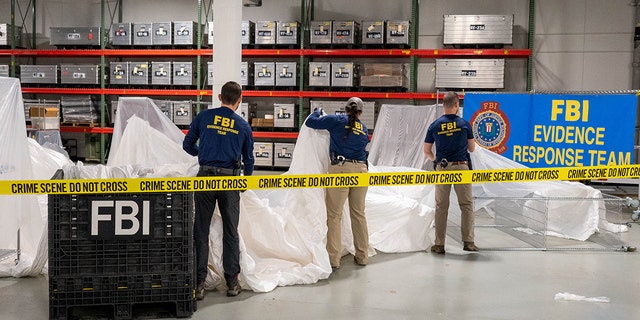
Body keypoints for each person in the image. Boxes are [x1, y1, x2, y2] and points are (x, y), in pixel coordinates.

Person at [183, 81, 254, 299]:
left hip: (204, 178)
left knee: (200, 230)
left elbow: (187, 144)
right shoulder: (243, 126)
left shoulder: (204, 118)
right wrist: (243, 184)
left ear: (219, 96)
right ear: (240, 100)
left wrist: (203, 153)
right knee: (230, 230)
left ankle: (199, 283)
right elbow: (249, 161)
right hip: (230, 181)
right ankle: (232, 281)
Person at [305, 97, 370, 269]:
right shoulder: (363, 129)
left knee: (334, 215)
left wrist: (317, 111)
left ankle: (334, 259)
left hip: (341, 170)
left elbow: (311, 123)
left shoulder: (336, 120)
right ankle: (362, 256)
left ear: (346, 109)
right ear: (360, 112)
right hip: (362, 171)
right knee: (359, 213)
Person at [423, 91, 478, 254]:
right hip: (461, 167)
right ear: (456, 105)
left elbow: (426, 150)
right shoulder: (465, 124)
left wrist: (435, 159)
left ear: (443, 105)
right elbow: (472, 148)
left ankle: (439, 244)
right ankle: (468, 242)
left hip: (443, 167)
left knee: (441, 206)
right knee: (466, 205)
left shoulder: (434, 125)